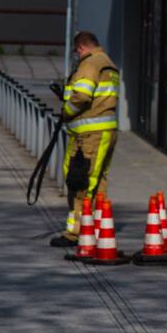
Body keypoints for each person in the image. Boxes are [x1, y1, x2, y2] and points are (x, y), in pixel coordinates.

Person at [50, 31, 120, 247]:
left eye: (76, 52)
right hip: (106, 132)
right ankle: (95, 227)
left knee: (81, 181)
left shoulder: (89, 65)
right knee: (98, 181)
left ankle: (77, 232)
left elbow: (81, 96)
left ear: (81, 48)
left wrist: (66, 111)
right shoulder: (108, 63)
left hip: (90, 134)